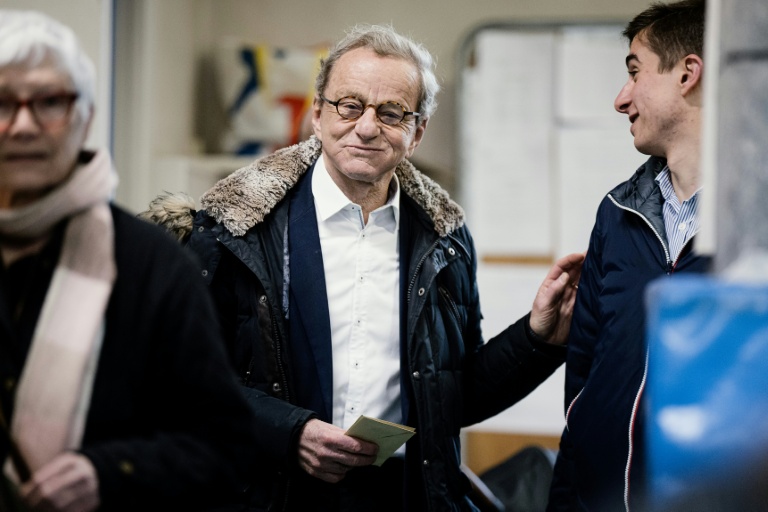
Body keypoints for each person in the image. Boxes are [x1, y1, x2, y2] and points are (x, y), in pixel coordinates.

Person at [144, 24, 584, 511]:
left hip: (402, 498)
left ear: (416, 133)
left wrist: (539, 339)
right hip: (267, 494)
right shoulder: (233, 232)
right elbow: (181, 381)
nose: (367, 127)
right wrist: (291, 433)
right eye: (348, 105)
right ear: (317, 114)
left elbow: (454, 397)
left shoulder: (447, 242)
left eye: (391, 112)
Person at [0, 10, 259, 512]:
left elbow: (226, 451)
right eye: (3, 102)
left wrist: (111, 474)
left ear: (85, 115)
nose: (24, 125)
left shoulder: (153, 266)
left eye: (50, 101)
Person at [546, 1, 712, 510]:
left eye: (635, 73)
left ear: (688, 73)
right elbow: (582, 386)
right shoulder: (616, 214)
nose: (622, 100)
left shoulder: (755, 222)